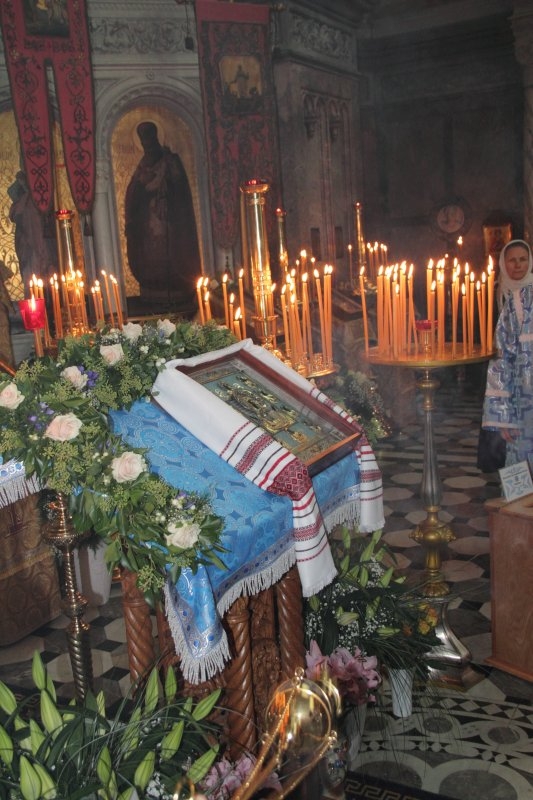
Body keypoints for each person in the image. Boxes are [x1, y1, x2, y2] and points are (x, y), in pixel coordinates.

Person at [124, 122, 201, 310]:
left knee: (170, 254)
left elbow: (180, 189)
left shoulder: (170, 159)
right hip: (148, 225)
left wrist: (165, 187)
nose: (146, 144)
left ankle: (177, 287)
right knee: (151, 255)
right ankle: (153, 288)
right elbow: (133, 192)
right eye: (143, 141)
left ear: (155, 137)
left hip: (170, 223)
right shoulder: (143, 165)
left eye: (148, 139)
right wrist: (143, 187)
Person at [482, 239, 533, 466]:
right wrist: (503, 416)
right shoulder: (518, 302)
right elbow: (501, 362)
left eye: (523, 259)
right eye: (513, 260)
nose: (518, 265)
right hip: (525, 410)